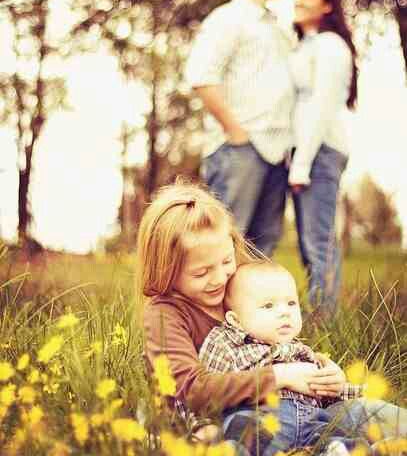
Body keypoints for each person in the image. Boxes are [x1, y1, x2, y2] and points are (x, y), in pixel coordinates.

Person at [136, 181, 349, 451]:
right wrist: (280, 376)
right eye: (201, 273)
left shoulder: (237, 286)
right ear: (166, 270)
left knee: (381, 419)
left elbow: (278, 344)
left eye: (226, 261)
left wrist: (324, 371)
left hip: (294, 407)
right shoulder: (165, 315)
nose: (219, 279)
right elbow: (192, 390)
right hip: (228, 422)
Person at [199, 261, 407, 454]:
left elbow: (327, 391)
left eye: (291, 303)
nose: (285, 313)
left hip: (312, 421)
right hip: (260, 416)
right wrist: (202, 425)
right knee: (243, 433)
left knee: (335, 438)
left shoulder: (302, 351)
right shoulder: (227, 342)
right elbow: (207, 390)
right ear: (235, 319)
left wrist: (343, 386)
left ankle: (357, 449)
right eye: (268, 306)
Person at [185, 0, 294, 255]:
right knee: (223, 245)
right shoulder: (227, 19)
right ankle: (207, 307)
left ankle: (249, 307)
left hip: (276, 152)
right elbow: (202, 76)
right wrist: (236, 132)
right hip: (240, 150)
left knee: (262, 248)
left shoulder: (275, 26)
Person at [287, 0, 359, 312]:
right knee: (308, 245)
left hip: (320, 153)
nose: (299, 0)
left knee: (319, 243)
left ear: (327, 5)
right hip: (306, 153)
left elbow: (321, 105)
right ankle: (317, 314)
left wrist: (302, 162)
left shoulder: (331, 46)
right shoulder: (306, 45)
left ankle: (324, 324)